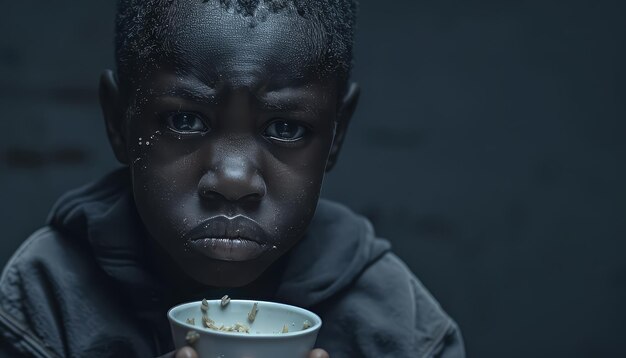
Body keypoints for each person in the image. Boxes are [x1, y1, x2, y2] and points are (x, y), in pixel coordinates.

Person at [0, 0, 465, 357]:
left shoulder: (404, 329)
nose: (234, 180)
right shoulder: (44, 302)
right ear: (118, 121)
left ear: (336, 137)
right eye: (185, 120)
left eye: (286, 128)